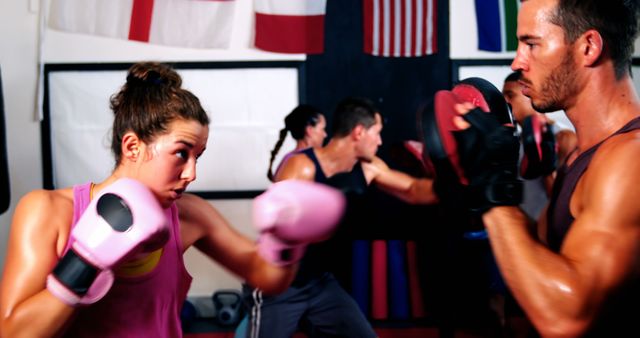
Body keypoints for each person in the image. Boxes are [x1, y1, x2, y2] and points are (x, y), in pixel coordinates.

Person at [0, 62, 344, 337]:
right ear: (133, 146)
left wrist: (286, 241)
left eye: (199, 156)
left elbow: (266, 277)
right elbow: (13, 332)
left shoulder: (190, 215)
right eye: (181, 153)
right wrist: (84, 262)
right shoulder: (49, 212)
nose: (192, 173)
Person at [454, 0, 640, 336]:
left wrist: (493, 191)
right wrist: (485, 186)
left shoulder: (630, 159)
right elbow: (540, 251)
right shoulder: (582, 156)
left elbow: (567, 319)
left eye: (531, 44)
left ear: (588, 47)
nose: (517, 61)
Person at [241, 96, 438, 338]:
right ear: (358, 132)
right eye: (376, 133)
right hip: (280, 285)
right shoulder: (303, 166)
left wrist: (457, 181)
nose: (380, 141)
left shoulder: (369, 167)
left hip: (320, 285)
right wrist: (322, 211)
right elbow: (272, 226)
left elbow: (413, 190)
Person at [267, 104, 327, 181]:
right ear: (310, 130)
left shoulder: (291, 158)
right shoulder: (301, 162)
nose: (325, 135)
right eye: (323, 129)